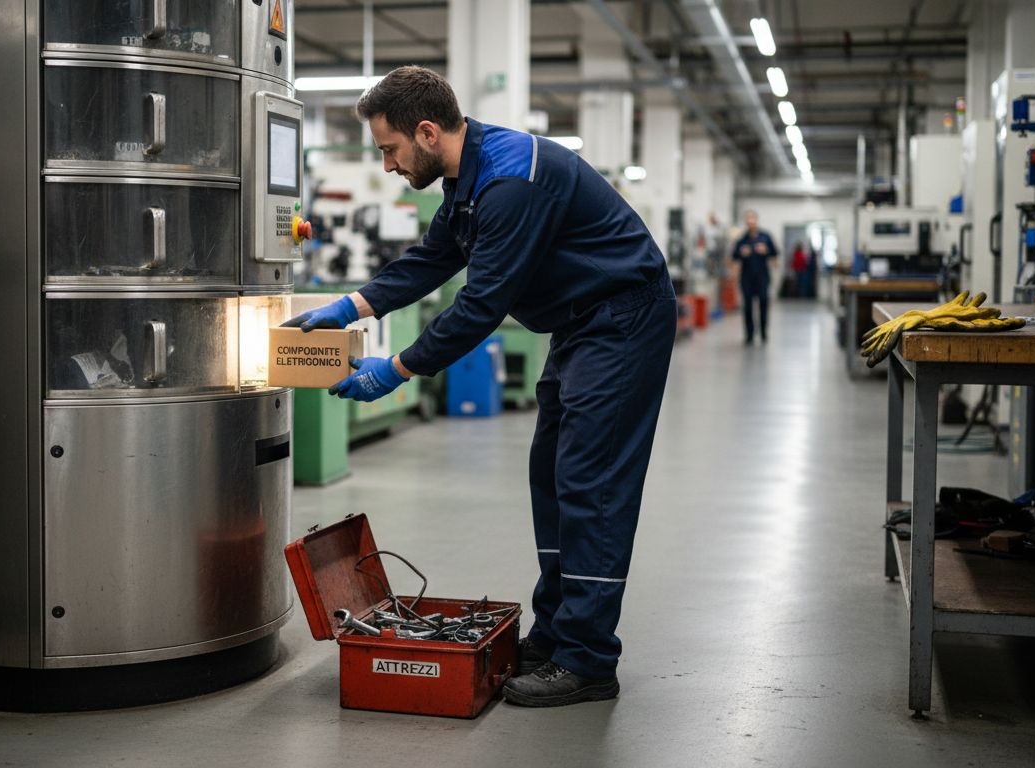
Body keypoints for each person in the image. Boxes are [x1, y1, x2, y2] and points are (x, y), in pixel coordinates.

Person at [282, 66, 676, 708]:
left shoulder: (510, 183)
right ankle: (557, 632)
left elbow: (480, 305)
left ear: (428, 131)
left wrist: (397, 369)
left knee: (591, 480)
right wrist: (351, 305)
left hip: (622, 320)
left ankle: (589, 658)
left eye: (390, 148)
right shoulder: (469, 179)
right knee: (551, 472)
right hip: (581, 325)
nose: (387, 165)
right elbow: (434, 258)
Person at [731, 211, 778, 343]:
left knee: (763, 303)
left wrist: (766, 250)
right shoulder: (742, 239)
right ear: (746, 222)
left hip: (762, 277)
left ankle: (763, 332)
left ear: (756, 220)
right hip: (746, 278)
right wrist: (741, 253)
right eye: (748, 220)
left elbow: (775, 252)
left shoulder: (766, 236)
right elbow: (734, 256)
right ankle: (749, 334)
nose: (751, 222)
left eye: (753, 219)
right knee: (747, 306)